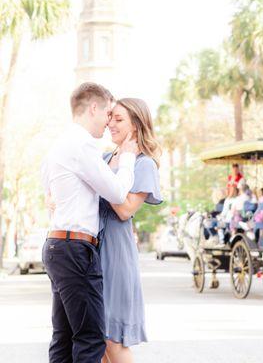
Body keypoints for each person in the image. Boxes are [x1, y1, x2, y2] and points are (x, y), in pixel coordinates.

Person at [41, 83, 139, 363]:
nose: (109, 121)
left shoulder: (60, 143)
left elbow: (46, 187)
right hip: (75, 249)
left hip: (58, 245)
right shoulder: (82, 144)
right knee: (90, 338)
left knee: (64, 337)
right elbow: (118, 193)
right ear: (93, 108)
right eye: (108, 113)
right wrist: (128, 159)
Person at [99, 98, 162, 363]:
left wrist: (101, 178)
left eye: (119, 119)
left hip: (115, 253)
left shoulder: (143, 163)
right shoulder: (103, 157)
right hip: (90, 249)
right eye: (110, 117)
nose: (110, 123)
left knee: (114, 340)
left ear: (135, 125)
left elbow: (125, 210)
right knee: (98, 340)